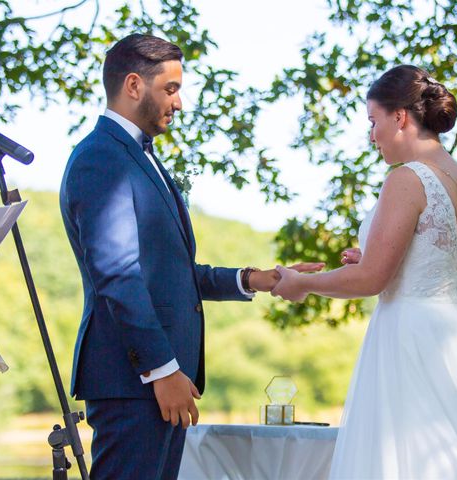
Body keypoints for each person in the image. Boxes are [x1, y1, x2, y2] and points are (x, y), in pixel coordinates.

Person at [59, 34, 321, 480]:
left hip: (155, 383)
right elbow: (118, 277)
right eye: (172, 88)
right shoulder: (100, 158)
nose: (179, 103)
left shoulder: (144, 159)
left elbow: (171, 273)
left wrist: (259, 279)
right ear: (134, 85)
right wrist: (162, 371)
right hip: (134, 380)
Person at [272, 65, 457, 479]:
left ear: (399, 117)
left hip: (407, 343)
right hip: (455, 343)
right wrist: (382, 255)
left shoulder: (406, 180)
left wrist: (303, 283)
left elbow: (371, 280)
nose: (371, 136)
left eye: (373, 121)